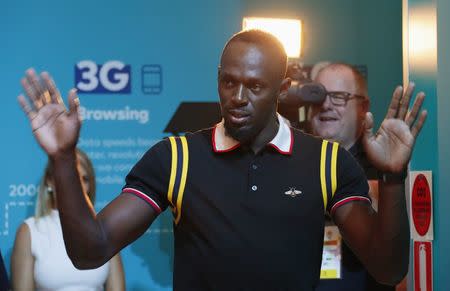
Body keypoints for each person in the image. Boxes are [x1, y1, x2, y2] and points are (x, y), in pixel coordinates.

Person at [17, 29, 426, 290]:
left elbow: (388, 270)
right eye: (228, 82)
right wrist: (63, 158)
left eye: (254, 86)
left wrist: (392, 179)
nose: (238, 98)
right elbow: (91, 251)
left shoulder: (325, 162)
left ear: (282, 89)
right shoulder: (175, 159)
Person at [307, 63, 417, 291]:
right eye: (318, 96)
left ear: (362, 107)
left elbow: (395, 268)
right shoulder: (293, 162)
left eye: (338, 97)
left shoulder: (385, 167)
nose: (325, 105)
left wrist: (390, 180)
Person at [10, 149, 125, 291]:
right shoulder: (30, 231)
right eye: (72, 177)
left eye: (84, 179)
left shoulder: (104, 228)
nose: (78, 186)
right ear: (50, 182)